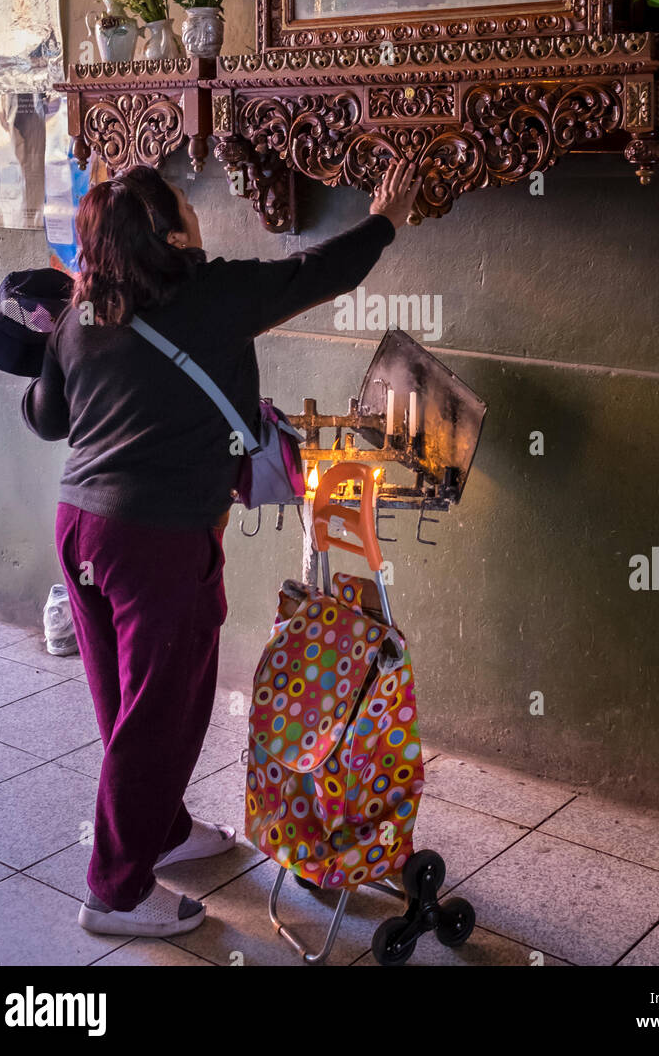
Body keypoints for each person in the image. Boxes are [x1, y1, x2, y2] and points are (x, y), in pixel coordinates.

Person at [22, 158, 421, 938]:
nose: (199, 216)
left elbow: (44, 417)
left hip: (80, 529)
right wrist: (387, 215)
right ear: (172, 231)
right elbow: (322, 269)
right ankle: (115, 892)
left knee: (127, 705)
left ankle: (162, 830)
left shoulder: (84, 315)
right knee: (162, 716)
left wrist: (33, 345)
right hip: (159, 541)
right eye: (186, 206)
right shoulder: (214, 293)